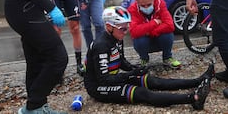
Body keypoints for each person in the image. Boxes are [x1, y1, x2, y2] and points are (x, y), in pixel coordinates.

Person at [84, 6, 214, 110]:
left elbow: (121, 61)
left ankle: (198, 81)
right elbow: (104, 79)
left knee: (153, 81)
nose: (126, 32)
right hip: (98, 87)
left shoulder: (117, 37)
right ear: (108, 27)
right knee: (142, 93)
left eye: (127, 27)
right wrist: (131, 74)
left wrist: (135, 68)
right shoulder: (101, 46)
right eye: (122, 28)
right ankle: (193, 99)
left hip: (111, 79)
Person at [127, 0, 181, 68]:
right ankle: (144, 59)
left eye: (149, 4)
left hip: (158, 38)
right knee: (138, 39)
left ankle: (167, 57)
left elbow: (170, 25)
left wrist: (149, 31)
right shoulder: (132, 9)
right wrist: (155, 22)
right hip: (144, 41)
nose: (146, 7)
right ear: (137, 3)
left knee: (167, 34)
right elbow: (134, 31)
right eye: (142, 5)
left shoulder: (161, 4)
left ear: (153, 0)